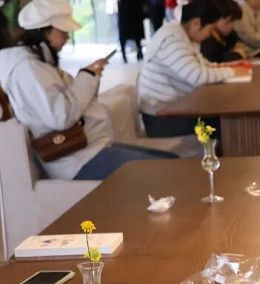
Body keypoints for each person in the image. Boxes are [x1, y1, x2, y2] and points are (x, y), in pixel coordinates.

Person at [0, 0, 178, 180]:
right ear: (43, 31)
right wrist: (86, 77)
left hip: (87, 149)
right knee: (169, 170)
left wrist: (89, 76)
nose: (67, 37)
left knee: (171, 160)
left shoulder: (37, 64)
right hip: (76, 160)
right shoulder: (26, 69)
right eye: (63, 31)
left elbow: (68, 101)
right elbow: (61, 116)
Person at [138, 0, 246, 137]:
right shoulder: (172, 38)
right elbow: (197, 76)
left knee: (227, 119)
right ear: (196, 23)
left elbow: (202, 64)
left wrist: (226, 67)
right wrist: (232, 72)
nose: (209, 35)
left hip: (174, 109)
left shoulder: (184, 35)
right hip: (160, 119)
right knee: (227, 124)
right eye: (210, 30)